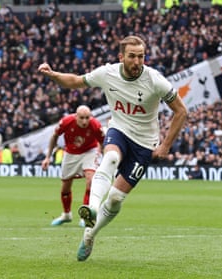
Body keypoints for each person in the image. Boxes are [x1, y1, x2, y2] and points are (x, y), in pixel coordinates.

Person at [38, 35, 188, 261]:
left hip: (144, 144)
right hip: (119, 130)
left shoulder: (155, 80)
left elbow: (181, 111)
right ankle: (93, 208)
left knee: (117, 198)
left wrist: (165, 145)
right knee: (109, 159)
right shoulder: (107, 73)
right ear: (121, 57)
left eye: (141, 56)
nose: (137, 61)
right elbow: (76, 81)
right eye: (132, 56)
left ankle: (90, 234)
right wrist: (53, 75)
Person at [41, 105, 105, 227]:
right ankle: (66, 215)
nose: (85, 121)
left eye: (87, 118)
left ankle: (85, 216)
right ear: (76, 116)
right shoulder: (66, 122)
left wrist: (104, 157)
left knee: (91, 181)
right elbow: (54, 136)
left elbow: (103, 141)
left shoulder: (95, 125)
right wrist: (48, 157)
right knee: (65, 186)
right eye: (82, 118)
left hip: (90, 152)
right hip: (70, 153)